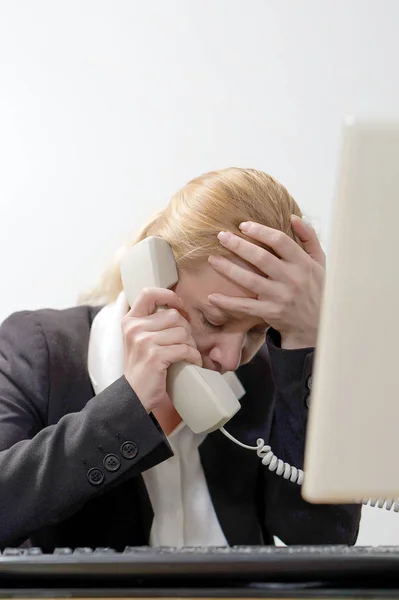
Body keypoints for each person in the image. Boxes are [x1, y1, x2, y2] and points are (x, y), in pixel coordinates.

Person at [0, 168, 361, 551]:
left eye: (257, 330)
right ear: (153, 276)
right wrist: (128, 405)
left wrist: (306, 344)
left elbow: (322, 538)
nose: (230, 358)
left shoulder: (269, 376)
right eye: (213, 319)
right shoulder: (40, 351)